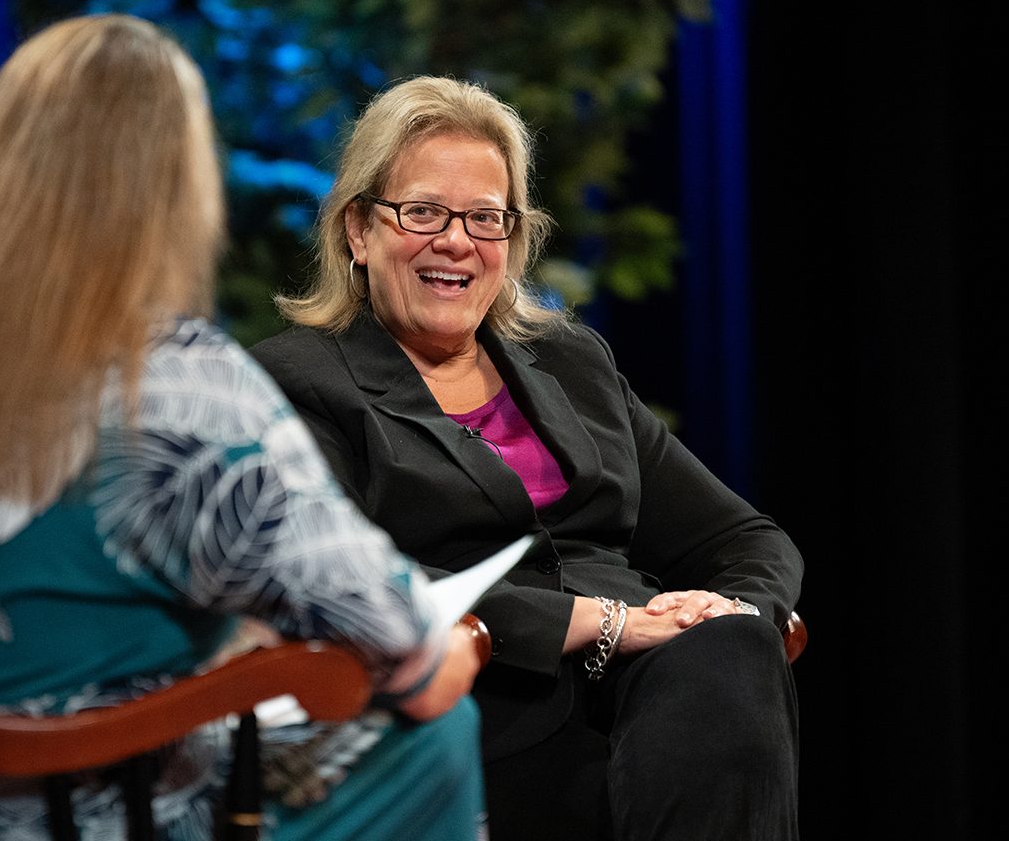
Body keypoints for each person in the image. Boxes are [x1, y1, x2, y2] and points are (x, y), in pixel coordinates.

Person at [0, 16, 485, 841]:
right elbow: (410, 652)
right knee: (438, 733)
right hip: (123, 817)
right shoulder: (177, 387)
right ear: (175, 192)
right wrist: (443, 650)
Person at [250, 76, 803, 841]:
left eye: (486, 218)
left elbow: (744, 539)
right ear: (357, 231)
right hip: (480, 700)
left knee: (729, 654)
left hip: (657, 695)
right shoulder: (299, 384)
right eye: (422, 212)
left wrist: (729, 608)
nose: (456, 242)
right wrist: (603, 622)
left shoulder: (569, 360)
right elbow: (347, 584)